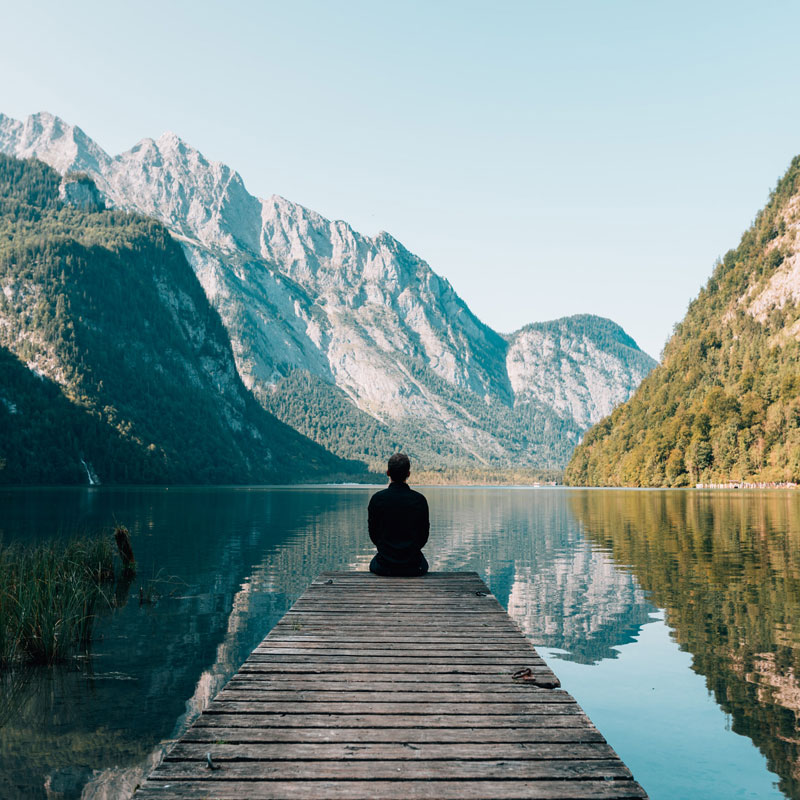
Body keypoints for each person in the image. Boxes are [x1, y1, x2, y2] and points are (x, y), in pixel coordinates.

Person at [368, 453, 429, 576]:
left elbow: (373, 534)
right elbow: (423, 536)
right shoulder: (419, 500)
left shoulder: (377, 499)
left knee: (374, 563)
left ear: (388, 473)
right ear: (408, 474)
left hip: (384, 566)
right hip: (414, 566)